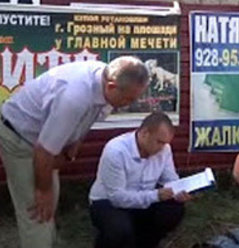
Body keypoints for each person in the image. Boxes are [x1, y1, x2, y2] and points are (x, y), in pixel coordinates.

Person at [0, 56, 149, 248]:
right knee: (36, 210)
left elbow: (86, 120)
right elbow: (44, 151)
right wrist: (42, 190)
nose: (130, 103)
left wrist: (70, 153)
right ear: (111, 86)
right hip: (18, 137)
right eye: (128, 98)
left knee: (48, 204)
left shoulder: (108, 76)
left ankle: (47, 241)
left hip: (42, 140)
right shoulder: (74, 97)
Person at [88, 111, 190, 248]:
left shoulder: (165, 149)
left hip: (144, 198)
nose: (162, 147)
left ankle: (147, 242)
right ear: (144, 133)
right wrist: (156, 195)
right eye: (159, 142)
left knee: (174, 209)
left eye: (165, 143)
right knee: (119, 229)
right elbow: (117, 197)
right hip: (108, 202)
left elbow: (170, 179)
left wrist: (180, 191)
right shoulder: (116, 151)